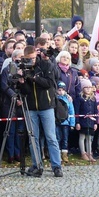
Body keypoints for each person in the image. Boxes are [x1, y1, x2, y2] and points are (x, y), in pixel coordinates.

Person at [17, 45, 63, 178]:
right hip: (31, 106)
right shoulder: (23, 67)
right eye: (28, 59)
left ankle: (56, 166)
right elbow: (25, 91)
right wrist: (21, 82)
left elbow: (49, 83)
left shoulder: (44, 64)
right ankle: (37, 164)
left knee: (51, 137)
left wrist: (33, 77)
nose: (31, 61)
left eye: (32, 58)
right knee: (33, 138)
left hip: (46, 105)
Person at [0, 50, 25, 163]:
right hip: (9, 103)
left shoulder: (24, 71)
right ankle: (10, 154)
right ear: (14, 58)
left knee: (20, 130)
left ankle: (18, 153)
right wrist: (14, 97)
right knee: (10, 130)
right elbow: (4, 86)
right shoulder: (6, 70)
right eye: (20, 57)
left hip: (21, 104)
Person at [74, 79, 98, 162]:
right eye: (86, 87)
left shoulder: (93, 99)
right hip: (82, 121)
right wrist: (77, 122)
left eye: (89, 87)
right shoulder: (79, 99)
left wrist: (95, 122)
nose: (88, 89)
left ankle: (89, 153)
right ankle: (83, 153)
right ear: (82, 88)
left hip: (91, 122)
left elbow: (95, 112)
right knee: (82, 137)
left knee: (89, 138)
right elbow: (76, 112)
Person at [56, 81, 75, 163]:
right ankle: (58, 155)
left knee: (65, 139)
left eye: (62, 90)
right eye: (59, 90)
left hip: (66, 122)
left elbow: (71, 112)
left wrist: (72, 123)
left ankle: (64, 154)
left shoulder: (68, 99)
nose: (61, 92)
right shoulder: (54, 99)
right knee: (57, 138)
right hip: (56, 122)